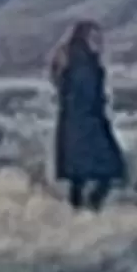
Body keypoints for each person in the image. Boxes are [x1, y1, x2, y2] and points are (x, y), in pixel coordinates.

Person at [50, 20, 128, 211]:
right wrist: (97, 111)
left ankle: (77, 211)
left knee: (79, 175)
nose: (99, 41)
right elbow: (86, 93)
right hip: (88, 123)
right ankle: (91, 206)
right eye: (95, 37)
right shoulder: (83, 62)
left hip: (74, 124)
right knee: (111, 168)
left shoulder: (72, 59)